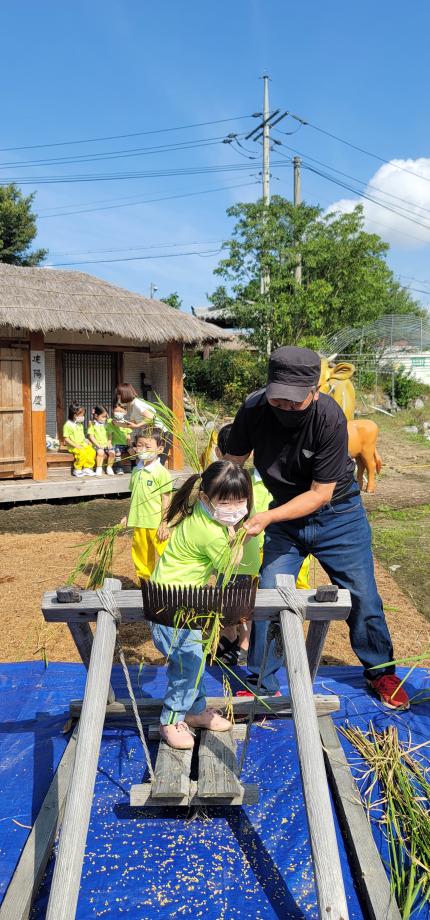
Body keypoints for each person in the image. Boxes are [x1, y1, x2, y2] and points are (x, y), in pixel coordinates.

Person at [225, 345, 409, 710]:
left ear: (316, 390)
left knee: (362, 595)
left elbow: (320, 494)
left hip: (338, 515)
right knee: (271, 595)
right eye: (278, 398)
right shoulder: (254, 409)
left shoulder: (329, 416)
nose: (285, 406)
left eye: (295, 401)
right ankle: (262, 682)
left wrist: (266, 518)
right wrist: (221, 504)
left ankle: (380, 672)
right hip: (284, 516)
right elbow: (232, 463)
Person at [150, 460, 254, 749]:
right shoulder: (209, 531)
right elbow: (229, 565)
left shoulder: (203, 513)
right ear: (207, 499)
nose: (234, 509)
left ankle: (195, 711)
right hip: (170, 607)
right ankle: (170, 719)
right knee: (188, 666)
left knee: (193, 661)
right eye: (226, 502)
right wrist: (242, 536)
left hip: (182, 603)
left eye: (240, 501)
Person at [126, 428, 173, 579]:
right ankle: (145, 583)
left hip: (155, 523)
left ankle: (172, 582)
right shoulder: (136, 471)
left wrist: (164, 523)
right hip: (139, 521)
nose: (143, 449)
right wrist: (128, 515)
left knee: (165, 553)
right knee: (141, 555)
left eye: (148, 446)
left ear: (160, 449)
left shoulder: (161, 472)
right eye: (140, 445)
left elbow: (166, 499)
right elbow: (134, 496)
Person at [114, 382, 171, 465]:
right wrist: (118, 424)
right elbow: (132, 424)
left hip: (161, 434)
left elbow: (150, 417)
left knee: (157, 463)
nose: (118, 397)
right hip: (153, 434)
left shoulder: (137, 404)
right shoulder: (132, 405)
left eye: (119, 394)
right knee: (150, 461)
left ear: (124, 394)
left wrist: (137, 425)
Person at [62, 403, 96, 478]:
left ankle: (87, 468)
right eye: (82, 415)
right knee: (82, 453)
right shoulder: (68, 425)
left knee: (92, 451)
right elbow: (66, 438)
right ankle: (77, 469)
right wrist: (76, 446)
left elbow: (82, 436)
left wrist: (86, 440)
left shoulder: (79, 424)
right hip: (73, 446)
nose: (83, 417)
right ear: (75, 415)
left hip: (82, 444)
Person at [87, 405, 116, 476]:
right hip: (97, 445)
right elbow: (91, 436)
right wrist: (98, 445)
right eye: (103, 417)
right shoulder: (93, 424)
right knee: (100, 452)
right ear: (96, 416)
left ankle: (109, 467)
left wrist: (109, 443)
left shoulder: (107, 424)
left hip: (106, 444)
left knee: (112, 453)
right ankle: (99, 468)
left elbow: (110, 435)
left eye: (105, 416)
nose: (104, 418)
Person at [107, 401, 132, 475]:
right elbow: (110, 435)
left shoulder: (126, 423)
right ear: (113, 411)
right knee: (117, 453)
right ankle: (119, 468)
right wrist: (109, 444)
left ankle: (134, 466)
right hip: (116, 445)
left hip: (125, 445)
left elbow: (128, 436)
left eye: (120, 411)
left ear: (125, 412)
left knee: (132, 452)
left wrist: (130, 445)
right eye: (116, 411)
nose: (118, 413)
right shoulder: (110, 422)